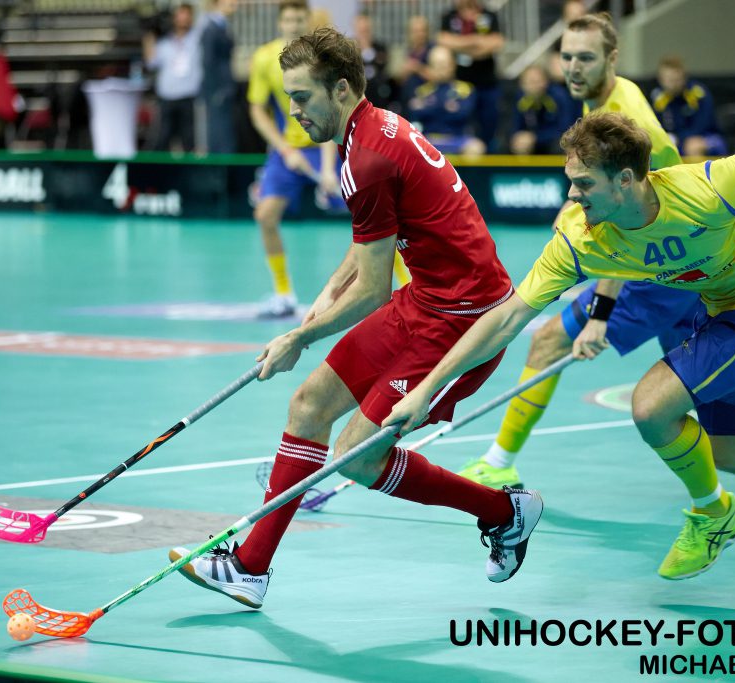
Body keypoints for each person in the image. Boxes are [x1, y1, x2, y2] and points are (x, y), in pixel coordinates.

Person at [387, 113, 735, 583]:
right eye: (570, 182)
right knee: (733, 453)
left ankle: (713, 514)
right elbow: (506, 319)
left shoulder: (706, 189)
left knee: (651, 406)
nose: (571, 196)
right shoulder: (582, 237)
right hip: (722, 312)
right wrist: (427, 390)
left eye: (583, 183)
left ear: (626, 180)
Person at [168, 27, 543, 608]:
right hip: (425, 299)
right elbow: (370, 246)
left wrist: (300, 336)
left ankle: (503, 510)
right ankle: (249, 569)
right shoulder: (372, 130)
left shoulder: (367, 157)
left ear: (340, 89)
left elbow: (372, 290)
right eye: (289, 98)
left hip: (465, 321)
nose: (294, 111)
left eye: (302, 97)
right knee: (308, 405)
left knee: (359, 456)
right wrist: (322, 299)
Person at [458, 13, 735, 490]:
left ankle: (500, 459)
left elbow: (639, 225)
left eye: (586, 58)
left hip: (661, 269)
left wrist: (601, 311)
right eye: (567, 56)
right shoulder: (599, 108)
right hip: (677, 270)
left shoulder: (630, 117)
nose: (573, 67)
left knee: (551, 340)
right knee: (706, 373)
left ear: (612, 58)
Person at [246, 0, 342, 318]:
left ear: (307, 20)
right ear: (280, 23)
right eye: (288, 19)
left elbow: (330, 112)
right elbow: (258, 111)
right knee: (265, 216)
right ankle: (283, 293)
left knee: (372, 215)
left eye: (300, 19)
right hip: (286, 153)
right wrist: (285, 150)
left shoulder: (320, 59)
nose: (294, 25)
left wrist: (328, 169)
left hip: (323, 146)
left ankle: (405, 286)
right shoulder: (264, 58)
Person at [438, 0, 504, 150]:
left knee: (489, 123)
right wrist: (476, 41)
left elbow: (497, 42)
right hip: (459, 83)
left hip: (486, 82)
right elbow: (443, 40)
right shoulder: (450, 16)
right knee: (462, 123)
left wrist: (460, 45)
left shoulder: (489, 15)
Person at [142, 3, 203, 153]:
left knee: (189, 139)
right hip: (167, 97)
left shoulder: (197, 39)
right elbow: (151, 62)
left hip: (188, 96)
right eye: (180, 15)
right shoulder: (165, 42)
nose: (183, 19)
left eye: (186, 15)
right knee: (163, 137)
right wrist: (149, 34)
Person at [407, 46, 485, 156]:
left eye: (443, 64)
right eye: (436, 65)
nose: (440, 69)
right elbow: (415, 115)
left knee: (476, 147)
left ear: (452, 65)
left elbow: (463, 114)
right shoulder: (422, 91)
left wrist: (430, 107)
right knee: (408, 146)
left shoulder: (465, 89)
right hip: (429, 139)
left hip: (457, 139)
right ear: (429, 67)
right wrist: (447, 107)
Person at [650, 55, 728, 157]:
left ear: (684, 77)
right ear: (661, 79)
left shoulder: (698, 93)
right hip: (677, 140)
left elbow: (702, 125)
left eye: (677, 80)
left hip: (708, 137)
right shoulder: (658, 97)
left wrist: (682, 139)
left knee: (693, 146)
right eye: (669, 80)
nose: (673, 85)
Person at [510, 63, 577, 155]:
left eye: (538, 81)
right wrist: (519, 139)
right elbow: (514, 126)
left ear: (546, 82)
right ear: (522, 84)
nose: (535, 86)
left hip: (551, 142)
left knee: (560, 146)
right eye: (530, 82)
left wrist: (535, 138)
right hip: (529, 143)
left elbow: (566, 129)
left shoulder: (559, 96)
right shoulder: (519, 98)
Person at [200, 0, 237, 154]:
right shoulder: (211, 28)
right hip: (218, 90)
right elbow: (208, 62)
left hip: (224, 88)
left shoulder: (221, 26)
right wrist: (216, 90)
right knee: (220, 134)